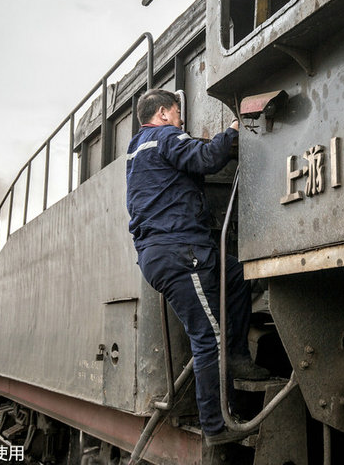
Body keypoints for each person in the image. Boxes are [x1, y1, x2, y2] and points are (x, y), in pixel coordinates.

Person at [125, 88, 268, 446]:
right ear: (161, 113)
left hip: (165, 252)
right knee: (209, 339)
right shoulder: (164, 136)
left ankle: (236, 357)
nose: (181, 120)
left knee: (236, 275)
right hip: (180, 251)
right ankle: (216, 426)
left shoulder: (136, 148)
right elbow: (205, 159)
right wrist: (233, 130)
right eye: (177, 113)